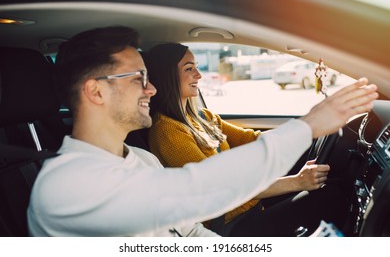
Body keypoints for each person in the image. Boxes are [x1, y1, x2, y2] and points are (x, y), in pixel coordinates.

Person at [27, 26, 378, 237]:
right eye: (139, 79)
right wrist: (310, 125)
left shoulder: (142, 160)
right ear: (95, 91)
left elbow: (190, 230)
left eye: (149, 79)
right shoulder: (65, 185)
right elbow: (197, 190)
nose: (151, 90)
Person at [145, 43, 353, 236]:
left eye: (197, 67)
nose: (199, 75)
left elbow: (252, 139)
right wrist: (297, 181)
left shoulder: (202, 117)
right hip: (229, 225)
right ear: (167, 75)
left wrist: (308, 130)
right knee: (332, 197)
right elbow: (222, 188)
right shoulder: (167, 131)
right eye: (189, 69)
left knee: (335, 184)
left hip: (251, 205)